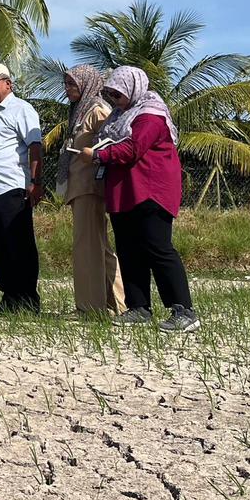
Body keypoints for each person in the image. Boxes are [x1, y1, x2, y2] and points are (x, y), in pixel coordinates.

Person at [82, 65, 199, 332]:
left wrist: (100, 155)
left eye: (118, 94)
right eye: (110, 94)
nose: (114, 99)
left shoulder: (150, 115)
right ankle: (138, 307)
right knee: (128, 249)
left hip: (151, 190)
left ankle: (183, 309)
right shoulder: (120, 115)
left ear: (133, 89)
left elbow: (134, 148)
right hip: (124, 191)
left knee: (158, 247)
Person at [0, 62, 43, 313]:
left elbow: (35, 146)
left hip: (12, 187)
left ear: (8, 84)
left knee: (19, 244)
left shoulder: (21, 109)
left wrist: (35, 182)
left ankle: (27, 298)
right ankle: (10, 296)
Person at [58, 65, 125, 315]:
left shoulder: (97, 109)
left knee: (86, 246)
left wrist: (94, 154)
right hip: (80, 186)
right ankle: (119, 303)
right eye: (66, 84)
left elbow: (113, 139)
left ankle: (90, 306)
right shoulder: (79, 111)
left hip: (90, 186)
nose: (67, 89)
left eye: (72, 84)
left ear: (86, 84)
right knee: (98, 246)